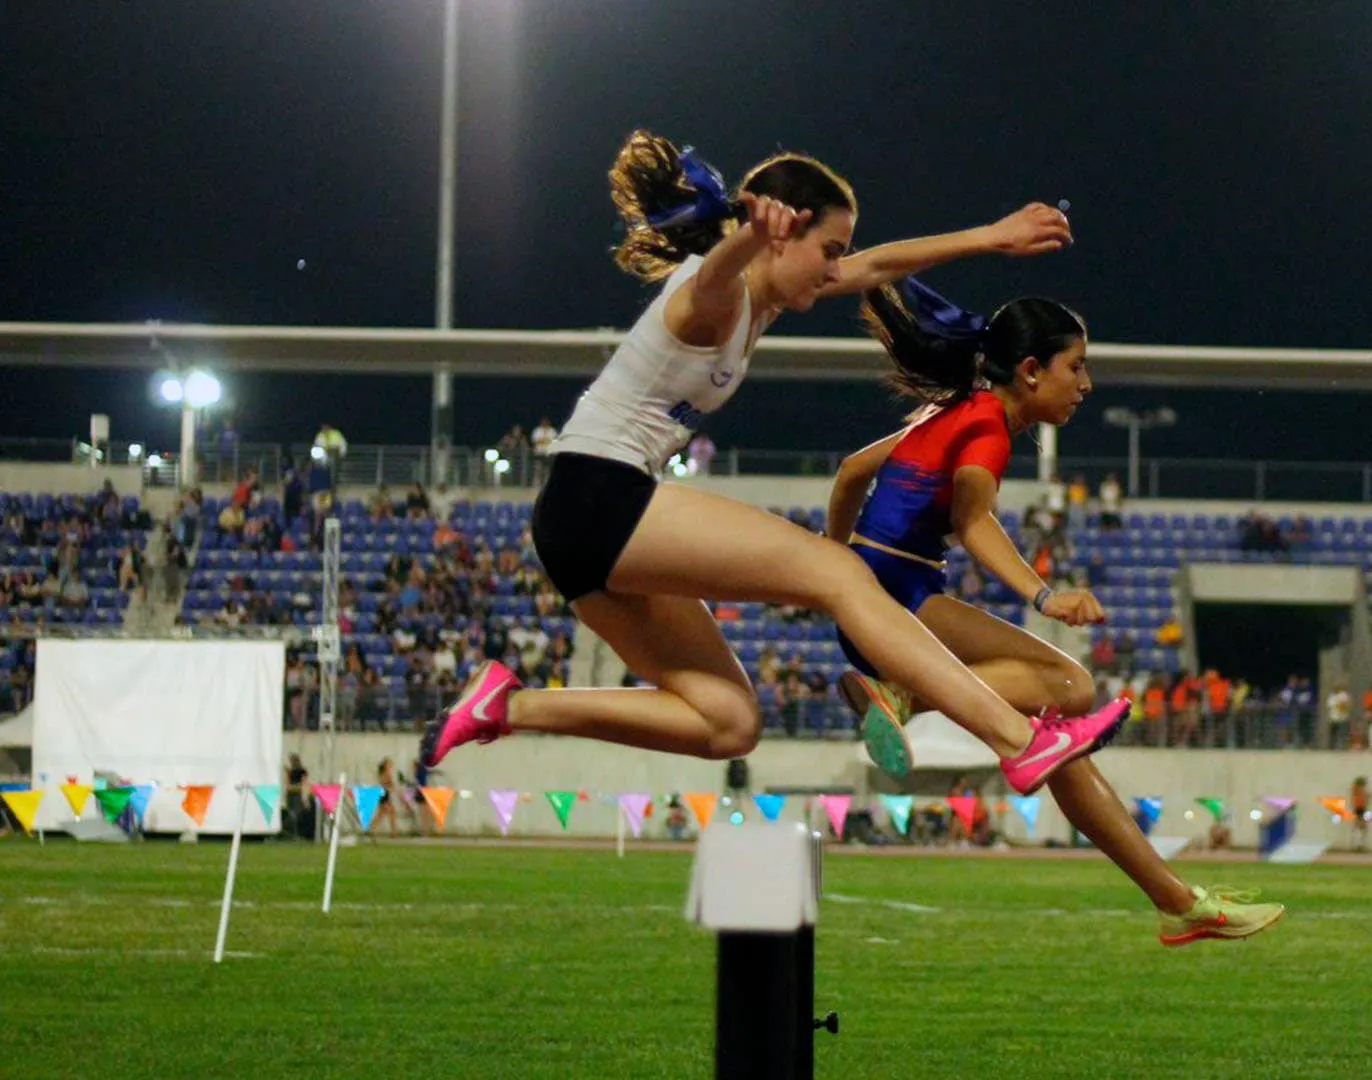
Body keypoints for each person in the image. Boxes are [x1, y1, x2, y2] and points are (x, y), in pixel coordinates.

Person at [421, 130, 1119, 796]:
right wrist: (754, 233)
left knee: (728, 722)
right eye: (829, 248)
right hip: (598, 496)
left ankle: (509, 707)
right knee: (839, 570)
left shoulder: (765, 302)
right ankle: (1017, 739)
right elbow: (717, 278)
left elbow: (877, 266)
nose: (836, 267)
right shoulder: (715, 298)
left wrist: (991, 237)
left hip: (586, 532)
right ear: (788, 235)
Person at [824, 278, 1283, 946]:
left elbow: (847, 473)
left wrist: (834, 571)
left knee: (1060, 739)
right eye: (1077, 366)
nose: (1087, 383)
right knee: (1074, 684)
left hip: (884, 589)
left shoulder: (950, 412)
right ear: (1032, 371)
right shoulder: (985, 425)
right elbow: (973, 521)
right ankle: (897, 693)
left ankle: (1177, 901)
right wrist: (1044, 595)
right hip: (900, 592)